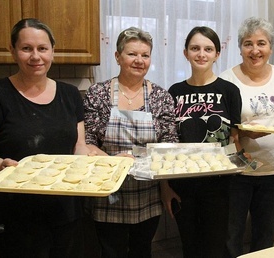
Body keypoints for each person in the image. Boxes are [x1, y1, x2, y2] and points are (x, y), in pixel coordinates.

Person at [0, 18, 93, 257]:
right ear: (13, 51)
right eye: (26, 48)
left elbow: (78, 146)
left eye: (42, 48)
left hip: (66, 211)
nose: (35, 56)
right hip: (17, 215)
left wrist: (96, 163)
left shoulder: (70, 95)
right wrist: (2, 164)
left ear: (53, 51)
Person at [83, 27, 179, 258]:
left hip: (148, 193)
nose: (139, 60)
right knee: (110, 251)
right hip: (107, 191)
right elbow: (87, 143)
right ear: (118, 56)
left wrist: (166, 189)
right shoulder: (98, 93)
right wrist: (114, 162)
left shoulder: (160, 97)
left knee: (142, 250)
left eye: (145, 55)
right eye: (132, 54)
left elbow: (169, 145)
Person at [166, 26, 244, 258]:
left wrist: (242, 164)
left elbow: (234, 139)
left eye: (208, 49)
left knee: (215, 249)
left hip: (218, 187)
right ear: (185, 53)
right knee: (189, 248)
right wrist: (165, 187)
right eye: (195, 48)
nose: (202, 54)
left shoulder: (229, 91)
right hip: (183, 186)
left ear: (217, 54)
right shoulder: (175, 92)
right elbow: (168, 142)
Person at [219, 17, 274, 257]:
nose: (255, 50)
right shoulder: (226, 79)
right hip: (237, 172)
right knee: (232, 235)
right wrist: (240, 134)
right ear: (240, 48)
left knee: (265, 235)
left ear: (270, 47)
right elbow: (221, 129)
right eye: (248, 43)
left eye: (261, 43)